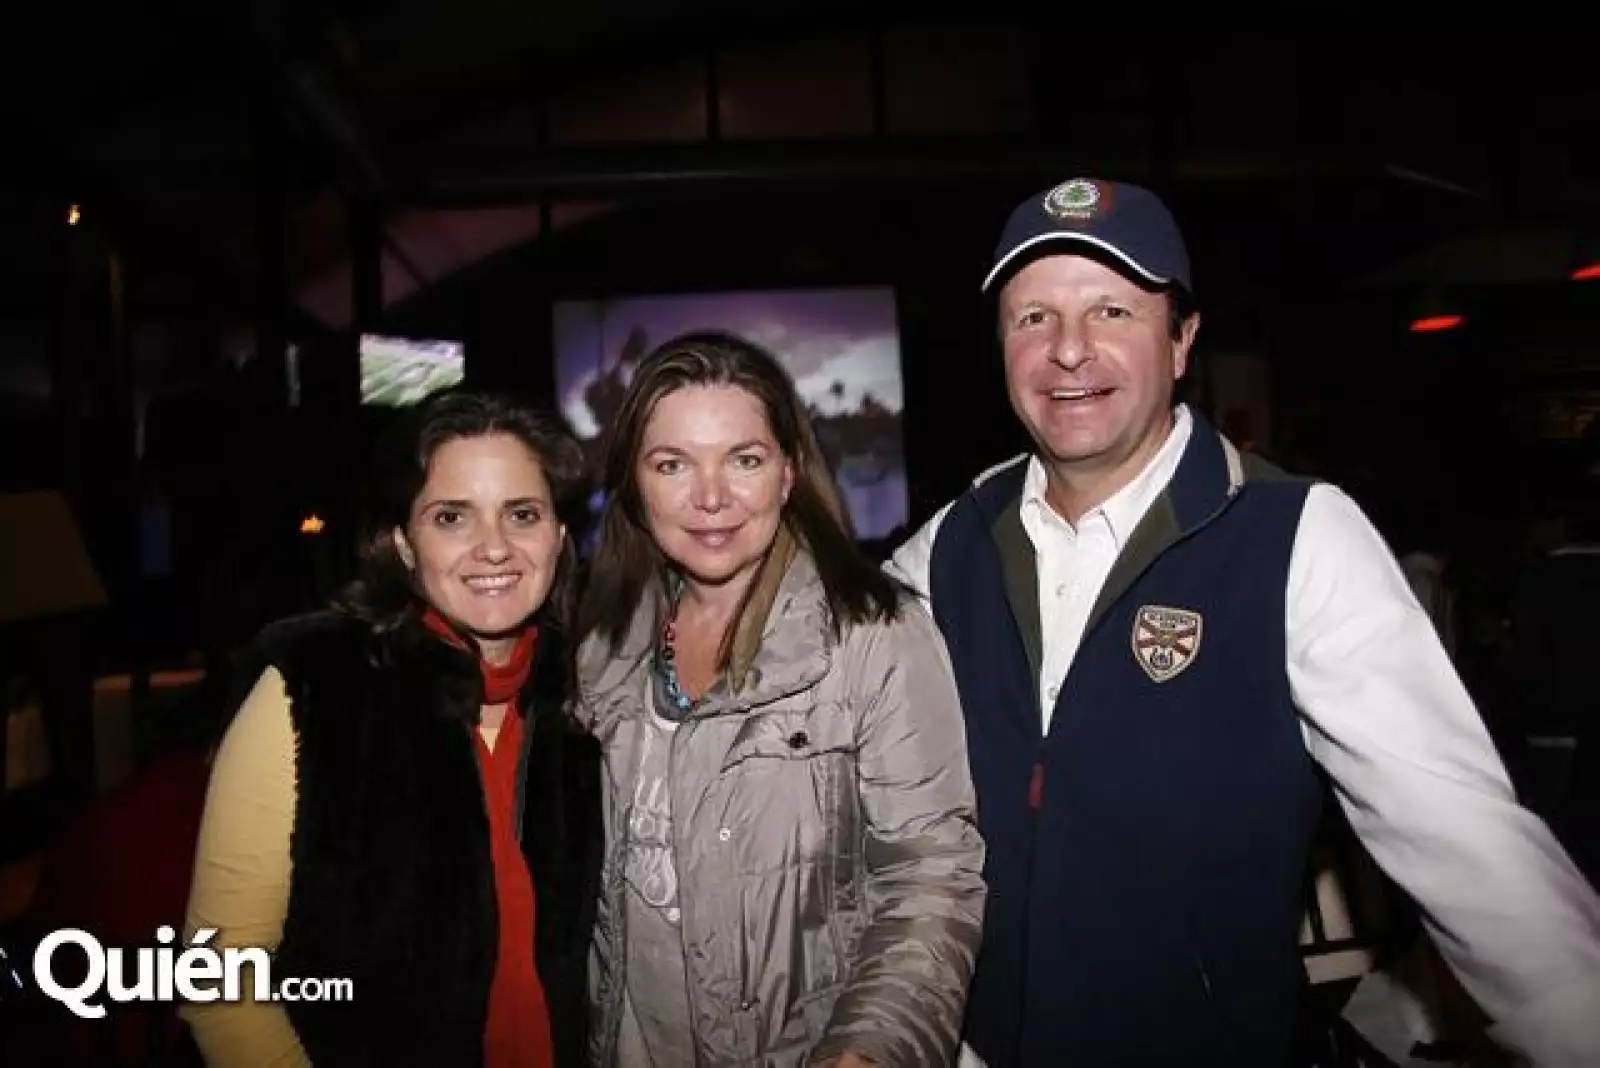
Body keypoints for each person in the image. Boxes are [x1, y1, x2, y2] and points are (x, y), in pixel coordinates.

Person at [886, 177, 1600, 1067]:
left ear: (1183, 339)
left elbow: (1464, 840)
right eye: (1033, 318)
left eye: (1112, 310)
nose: (1069, 351)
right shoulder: (956, 536)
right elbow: (819, 653)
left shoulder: (1297, 533)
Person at [576, 331, 986, 1068]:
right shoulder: (604, 647)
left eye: (745, 459)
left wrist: (867, 1053)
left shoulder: (876, 637)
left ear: (789, 472)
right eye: (673, 464)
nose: (711, 497)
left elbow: (930, 880)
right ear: (635, 484)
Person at [179, 391, 604, 1068]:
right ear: (404, 542)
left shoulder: (589, 700)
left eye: (521, 514)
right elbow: (221, 981)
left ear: (557, 536)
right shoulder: (311, 683)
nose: (493, 547)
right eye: (451, 517)